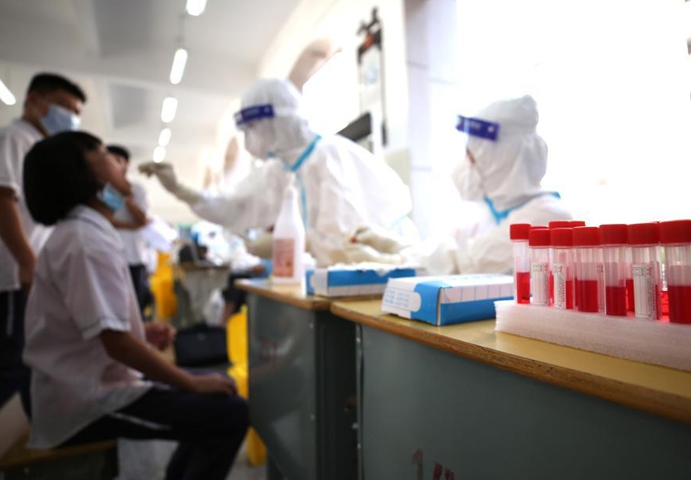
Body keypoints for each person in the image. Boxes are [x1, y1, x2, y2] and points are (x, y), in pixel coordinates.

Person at [22, 132, 248, 480]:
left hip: (91, 380)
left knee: (219, 393)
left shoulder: (87, 230)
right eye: (106, 155)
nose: (120, 164)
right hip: (83, 400)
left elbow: (98, 329)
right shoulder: (85, 239)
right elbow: (115, 342)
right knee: (228, 414)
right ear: (88, 174)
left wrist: (140, 331)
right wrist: (187, 381)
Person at [140, 78, 417, 267]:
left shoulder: (329, 156)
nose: (250, 137)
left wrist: (294, 242)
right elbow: (234, 207)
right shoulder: (279, 170)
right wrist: (180, 189)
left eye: (254, 126)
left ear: (280, 121)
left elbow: (345, 242)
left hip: (381, 272)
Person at [0, 73, 85, 410]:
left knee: (26, 358)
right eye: (65, 107)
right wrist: (26, 260)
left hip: (30, 273)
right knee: (11, 362)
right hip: (12, 276)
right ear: (34, 100)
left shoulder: (40, 147)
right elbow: (3, 198)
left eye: (75, 111)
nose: (71, 118)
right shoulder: (15, 138)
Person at [420, 95, 572, 274]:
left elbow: (465, 265)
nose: (464, 167)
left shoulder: (547, 217)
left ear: (501, 160)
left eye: (472, 158)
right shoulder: (487, 213)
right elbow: (444, 247)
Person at [107, 145, 153, 319]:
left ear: (127, 164)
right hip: (111, 255)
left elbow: (141, 220)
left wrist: (125, 196)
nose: (114, 166)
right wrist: (131, 225)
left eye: (118, 161)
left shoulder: (136, 190)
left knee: (135, 308)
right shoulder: (103, 191)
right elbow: (107, 221)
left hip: (133, 257)